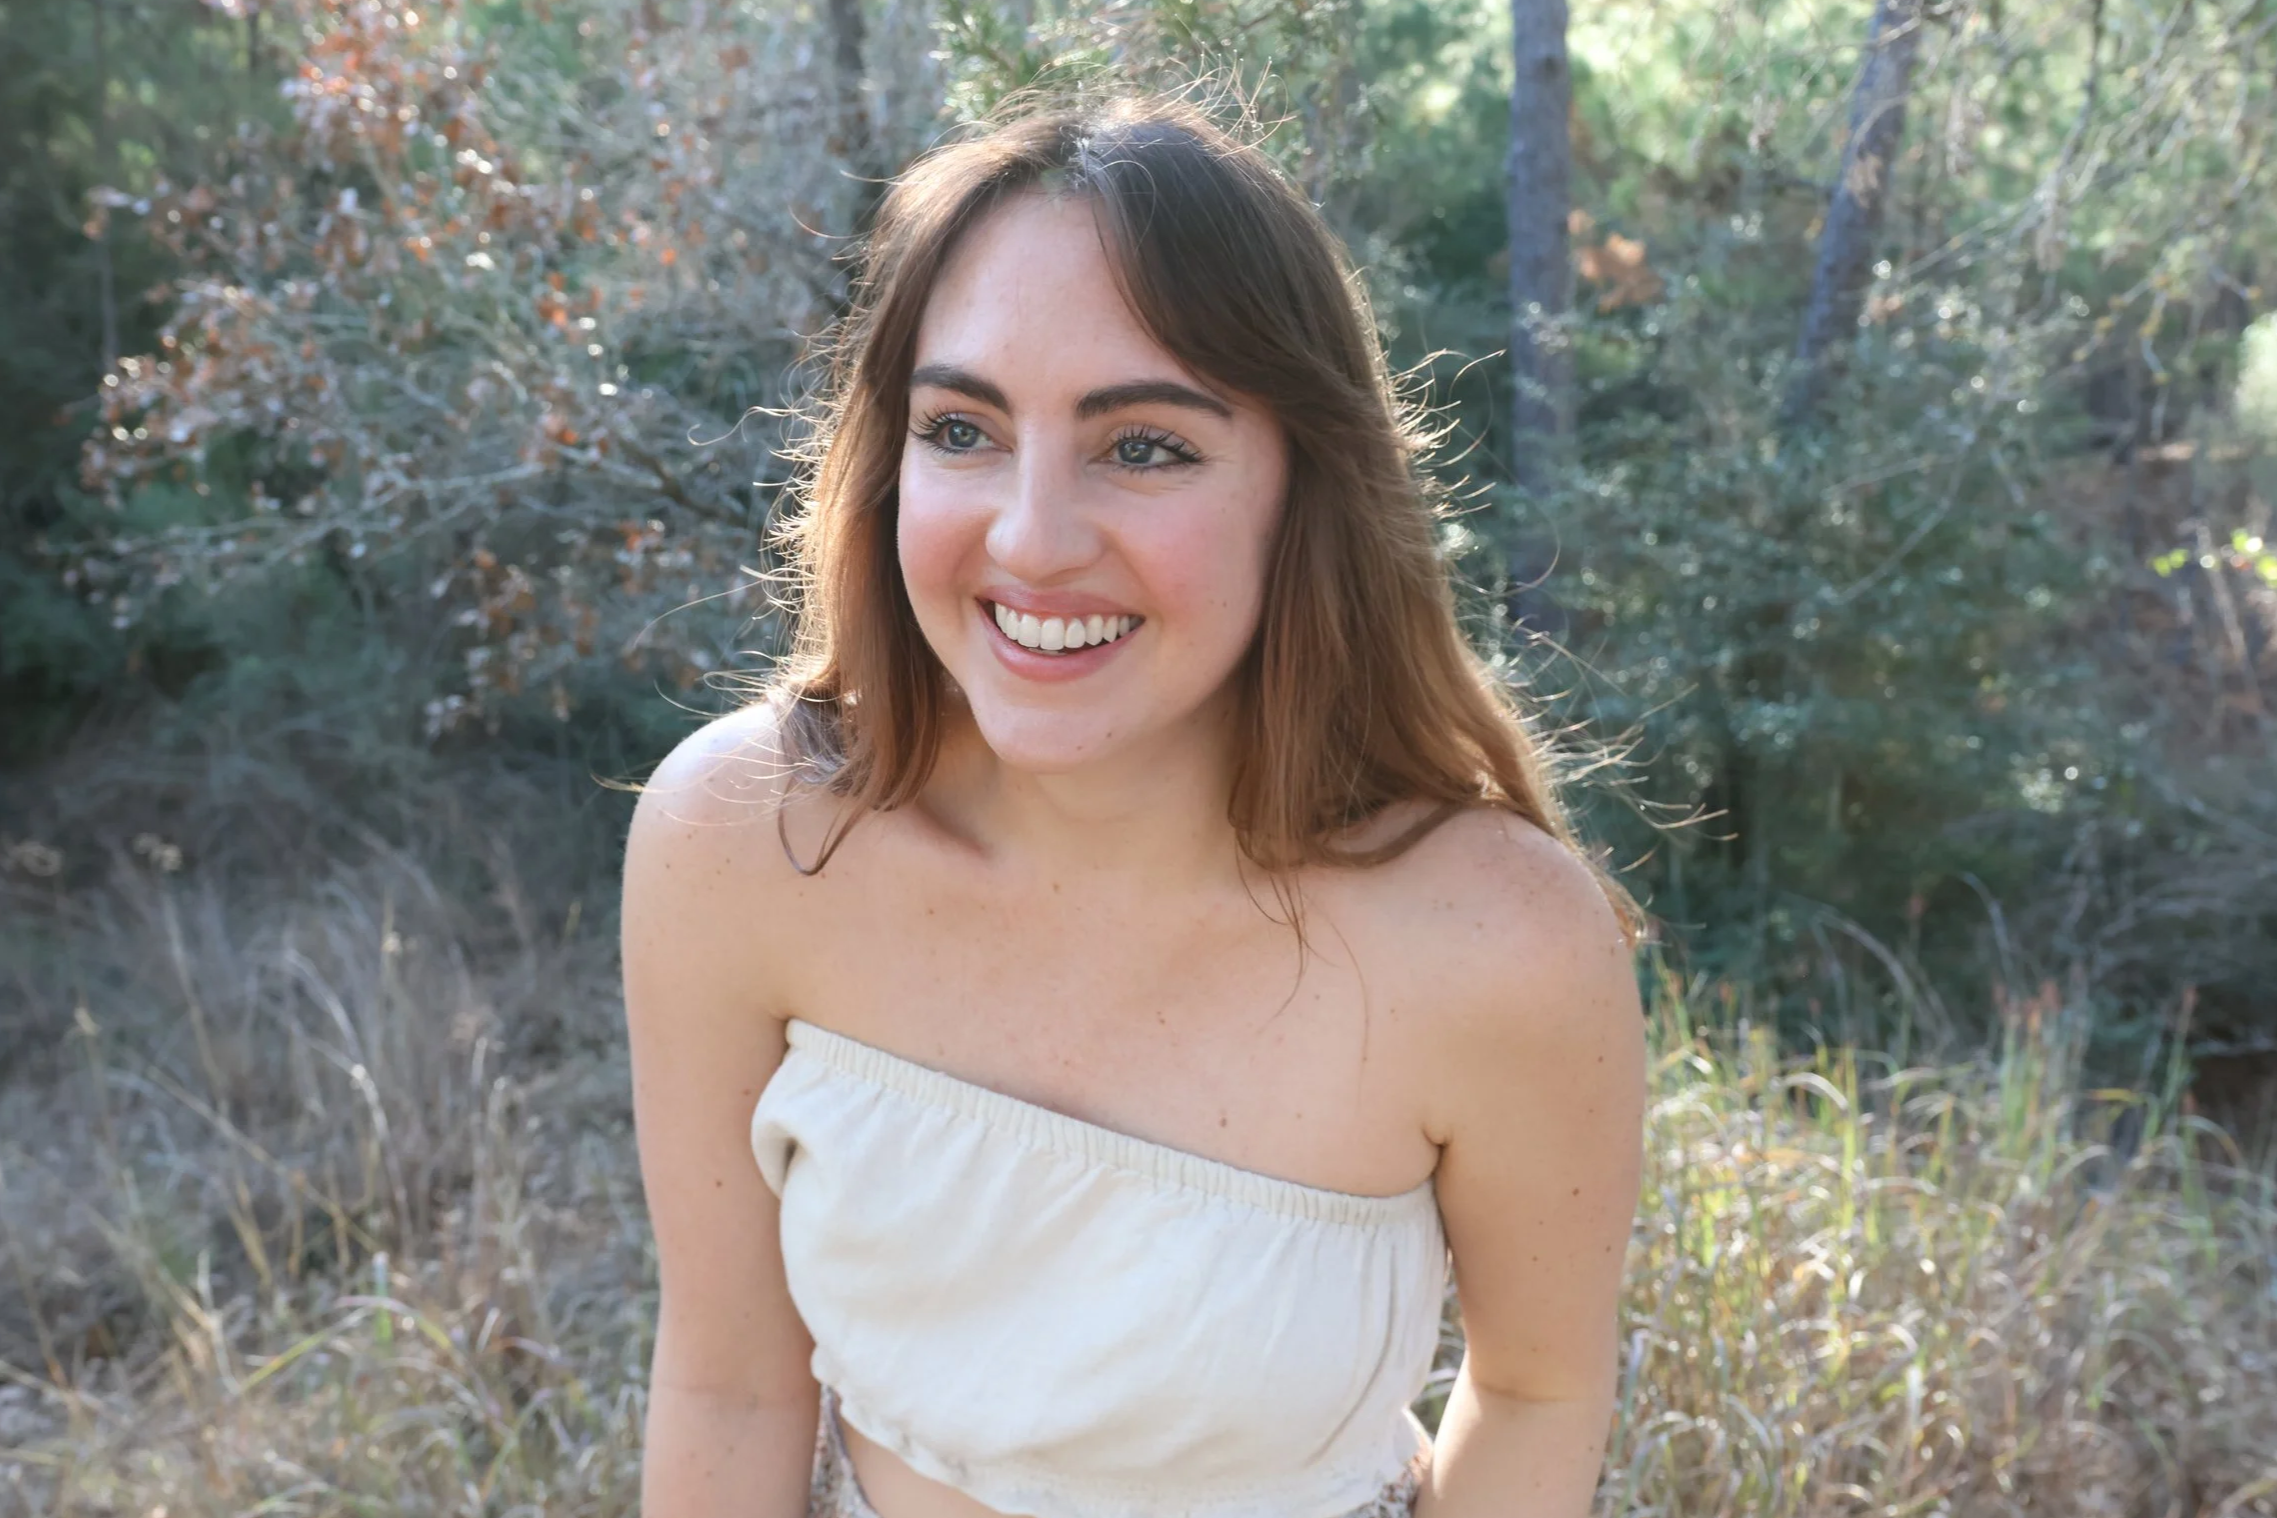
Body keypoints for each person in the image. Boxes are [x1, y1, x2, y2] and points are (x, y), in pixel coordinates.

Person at [619, 91, 1647, 1518]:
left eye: (1145, 445)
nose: (1032, 538)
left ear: (1304, 487)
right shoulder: (746, 841)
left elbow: (1537, 1390)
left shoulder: (1499, 941)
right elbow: (729, 1384)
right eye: (962, 428)